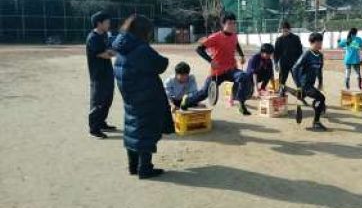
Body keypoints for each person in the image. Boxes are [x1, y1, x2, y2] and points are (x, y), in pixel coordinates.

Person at [113, 14, 173, 179]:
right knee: (146, 131)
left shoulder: (122, 46)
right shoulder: (140, 49)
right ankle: (145, 168)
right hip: (145, 94)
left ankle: (133, 166)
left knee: (132, 129)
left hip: (130, 95)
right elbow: (161, 64)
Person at [180, 12, 253, 115]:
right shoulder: (215, 37)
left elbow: (236, 44)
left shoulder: (234, 35)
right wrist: (211, 61)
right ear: (223, 24)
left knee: (244, 77)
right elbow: (199, 49)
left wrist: (241, 55)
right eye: (230, 23)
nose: (233, 25)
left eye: (234, 23)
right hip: (217, 71)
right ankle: (187, 100)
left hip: (231, 69)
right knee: (204, 93)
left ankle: (241, 104)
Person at [86, 11, 116, 139]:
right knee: (98, 101)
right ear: (99, 23)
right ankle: (94, 128)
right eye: (107, 22)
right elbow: (104, 54)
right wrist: (116, 53)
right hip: (98, 75)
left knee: (107, 100)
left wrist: (112, 51)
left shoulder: (104, 35)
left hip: (107, 72)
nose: (109, 24)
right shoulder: (93, 38)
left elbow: (110, 49)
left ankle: (102, 123)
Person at [292, 32, 327, 131]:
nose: (321, 44)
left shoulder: (320, 55)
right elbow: (294, 68)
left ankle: (296, 94)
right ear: (313, 43)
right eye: (319, 42)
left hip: (310, 84)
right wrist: (298, 85)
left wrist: (320, 82)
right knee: (321, 98)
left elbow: (319, 70)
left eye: (321, 42)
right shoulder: (307, 54)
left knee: (307, 97)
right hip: (304, 84)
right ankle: (316, 122)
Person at [274, 21, 303, 96]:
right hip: (284, 63)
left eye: (286, 30)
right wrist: (275, 63)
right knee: (282, 78)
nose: (284, 32)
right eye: (283, 31)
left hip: (294, 63)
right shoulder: (279, 40)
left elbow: (300, 51)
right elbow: (276, 53)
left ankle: (300, 92)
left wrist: (300, 62)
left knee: (297, 78)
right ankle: (281, 90)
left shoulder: (296, 38)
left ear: (289, 29)